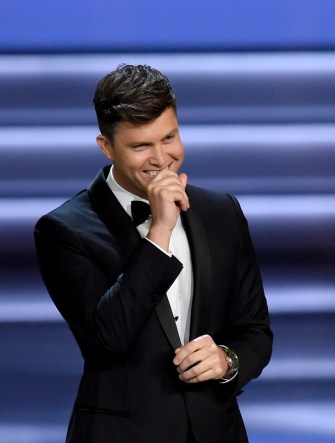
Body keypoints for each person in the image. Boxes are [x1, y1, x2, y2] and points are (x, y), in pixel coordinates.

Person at [34, 64, 272, 443]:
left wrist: (228, 361)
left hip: (217, 431)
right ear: (106, 146)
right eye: (141, 146)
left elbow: (255, 331)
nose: (162, 159)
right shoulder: (64, 229)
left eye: (170, 138)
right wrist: (159, 230)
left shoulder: (222, 212)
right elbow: (108, 336)